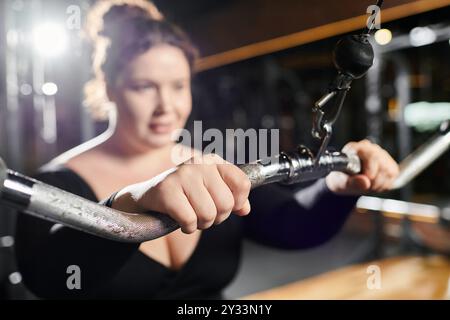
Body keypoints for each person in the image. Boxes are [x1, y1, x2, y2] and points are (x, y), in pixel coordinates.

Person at [14, 0, 399, 299]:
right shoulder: (56, 182)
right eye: (144, 87)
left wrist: (339, 186)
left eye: (178, 86)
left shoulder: (208, 166)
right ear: (110, 89)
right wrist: (131, 203)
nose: (166, 106)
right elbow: (53, 281)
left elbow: (291, 226)